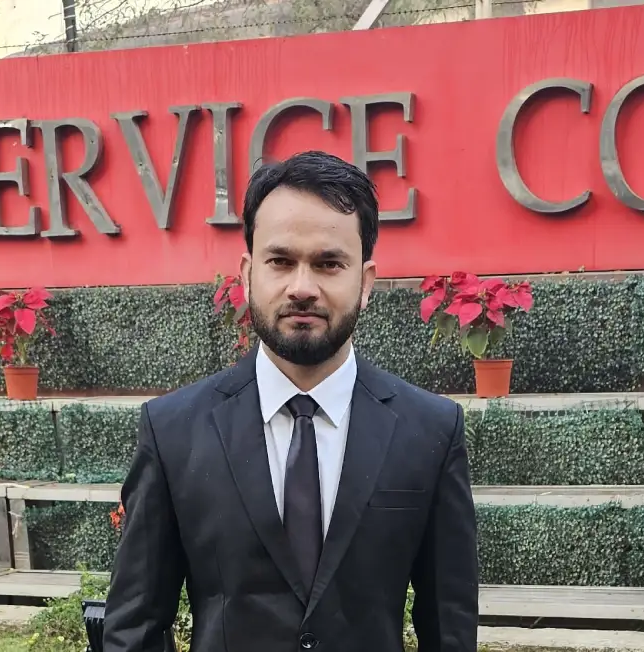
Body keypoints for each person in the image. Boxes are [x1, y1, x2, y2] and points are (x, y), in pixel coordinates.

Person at [102, 150, 479, 652]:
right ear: (247, 274)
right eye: (280, 261)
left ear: (365, 282)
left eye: (329, 264)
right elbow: (135, 626)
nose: (303, 288)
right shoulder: (173, 431)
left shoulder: (430, 430)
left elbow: (449, 628)